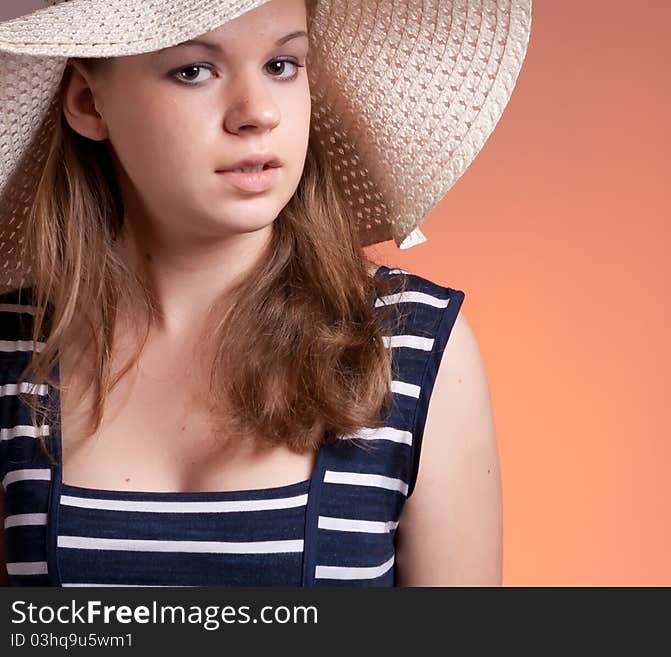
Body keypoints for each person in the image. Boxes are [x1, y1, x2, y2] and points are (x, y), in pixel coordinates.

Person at [0, 0, 530, 586]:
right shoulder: (14, 348)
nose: (258, 113)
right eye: (194, 70)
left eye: (282, 64)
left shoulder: (412, 348)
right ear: (86, 100)